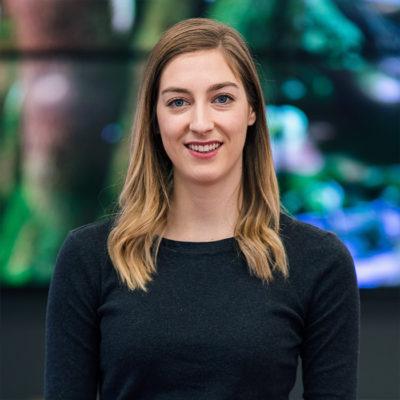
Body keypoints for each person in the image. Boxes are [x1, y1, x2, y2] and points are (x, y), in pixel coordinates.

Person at [44, 18, 360, 399]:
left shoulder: (319, 262)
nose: (201, 123)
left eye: (221, 99)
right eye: (178, 102)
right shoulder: (89, 258)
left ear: (252, 110)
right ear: (154, 118)